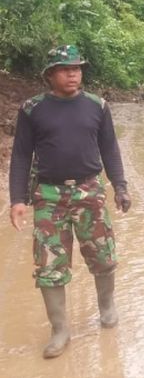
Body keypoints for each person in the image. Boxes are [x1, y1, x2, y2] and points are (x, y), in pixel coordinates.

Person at [8, 44, 131, 359]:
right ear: (50, 75)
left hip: (90, 192)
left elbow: (110, 149)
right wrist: (17, 199)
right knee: (49, 266)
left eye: (77, 68)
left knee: (102, 256)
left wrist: (120, 185)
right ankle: (60, 329)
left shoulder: (97, 106)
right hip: (48, 196)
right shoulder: (32, 109)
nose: (73, 73)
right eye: (65, 69)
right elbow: (21, 155)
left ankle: (106, 306)